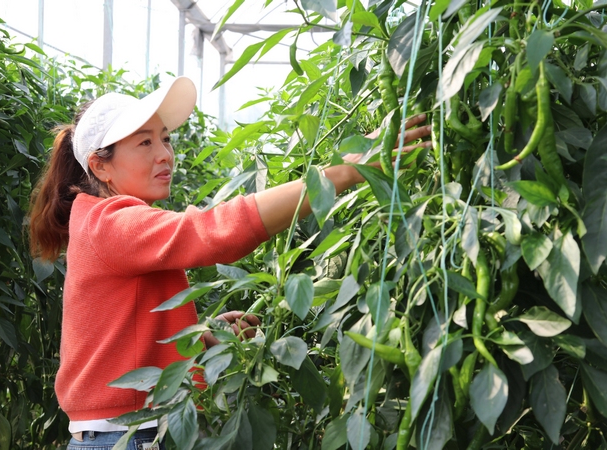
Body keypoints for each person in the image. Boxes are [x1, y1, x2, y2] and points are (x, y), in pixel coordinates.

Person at [26, 77, 431, 450]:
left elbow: (125, 335)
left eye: (165, 139)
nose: (165, 154)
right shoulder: (111, 223)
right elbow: (215, 231)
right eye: (145, 143)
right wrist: (343, 171)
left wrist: (202, 335)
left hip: (130, 430)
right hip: (130, 435)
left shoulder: (109, 222)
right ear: (100, 165)